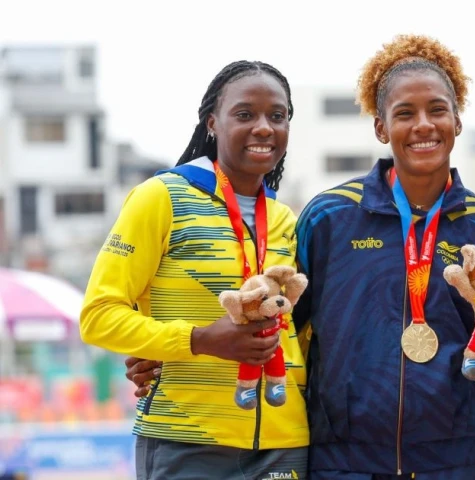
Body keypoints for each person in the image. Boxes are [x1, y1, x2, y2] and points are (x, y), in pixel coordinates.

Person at [292, 34, 475, 479]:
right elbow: (285, 328)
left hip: (449, 461)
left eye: (437, 110)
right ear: (381, 127)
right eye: (405, 113)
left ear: (457, 120)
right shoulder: (329, 218)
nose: (423, 124)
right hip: (343, 462)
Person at [80, 60, 309, 480]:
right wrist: (198, 340)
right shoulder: (160, 198)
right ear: (212, 123)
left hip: (284, 441)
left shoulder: (286, 220)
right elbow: (98, 317)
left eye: (278, 116)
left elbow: (301, 328)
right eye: (245, 114)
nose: (263, 127)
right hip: (185, 437)